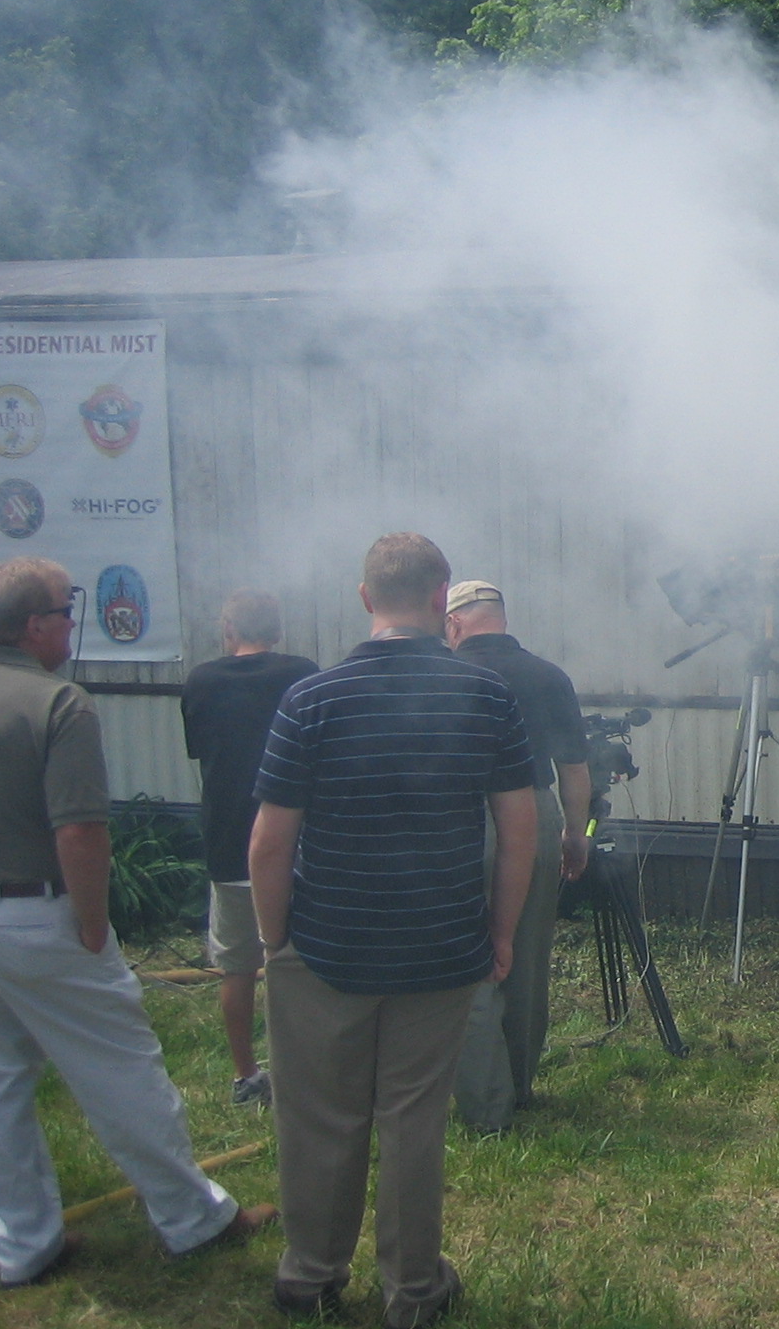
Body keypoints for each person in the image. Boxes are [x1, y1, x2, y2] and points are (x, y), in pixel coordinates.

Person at [250, 533, 537, 1326]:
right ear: (443, 596)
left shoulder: (312, 699)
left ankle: (310, 1275)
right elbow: (520, 830)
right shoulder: (486, 697)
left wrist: (275, 941)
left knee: (319, 1116)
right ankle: (413, 1289)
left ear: (366, 597)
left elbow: (269, 843)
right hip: (441, 942)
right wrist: (501, 931)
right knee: (413, 1121)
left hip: (326, 942)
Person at [0, 557, 276, 1287]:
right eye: (63, 609)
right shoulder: (58, 703)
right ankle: (193, 1217)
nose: (70, 622)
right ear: (32, 626)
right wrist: (90, 924)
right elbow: (79, 831)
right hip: (38, 914)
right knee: (123, 1071)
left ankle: (22, 1244)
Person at [443, 579, 592, 1133]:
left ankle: (487, 1106)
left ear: (454, 624)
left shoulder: (450, 675)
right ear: (500, 618)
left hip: (462, 819)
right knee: (525, 956)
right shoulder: (548, 676)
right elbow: (574, 770)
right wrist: (575, 834)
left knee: (473, 960)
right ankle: (521, 1085)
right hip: (537, 813)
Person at [180, 589, 319, 1106]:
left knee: (236, 966)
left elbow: (201, 752)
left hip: (229, 844)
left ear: (228, 630)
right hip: (296, 846)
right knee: (298, 966)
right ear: (277, 630)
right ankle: (301, 1071)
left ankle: (246, 1075)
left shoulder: (200, 681)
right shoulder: (302, 674)